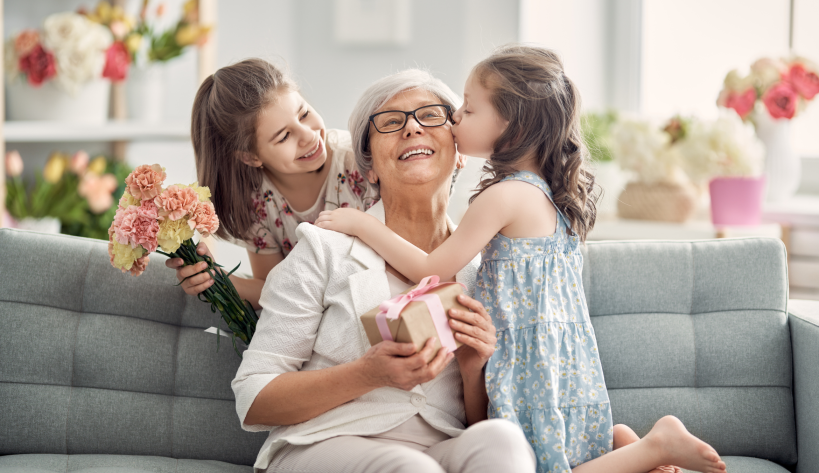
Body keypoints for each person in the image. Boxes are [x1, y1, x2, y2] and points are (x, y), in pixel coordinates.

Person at [316, 45, 726, 473]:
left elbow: (429, 270)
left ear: (510, 126)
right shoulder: (544, 194)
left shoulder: (504, 196)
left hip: (530, 357)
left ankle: (653, 447)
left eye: (469, 110)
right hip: (561, 354)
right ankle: (625, 446)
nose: (455, 119)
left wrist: (360, 224)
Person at [231, 69, 537, 473]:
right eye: (391, 123)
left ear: (460, 148)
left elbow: (474, 422)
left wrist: (472, 371)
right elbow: (253, 401)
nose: (412, 129)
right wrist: (367, 374)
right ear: (369, 167)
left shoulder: (488, 269)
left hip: (440, 447)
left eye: (430, 116)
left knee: (502, 440)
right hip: (324, 443)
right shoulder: (325, 249)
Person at [165, 58, 373, 308]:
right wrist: (216, 279)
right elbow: (273, 288)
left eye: (304, 114)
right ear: (250, 157)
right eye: (284, 136)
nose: (308, 135)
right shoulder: (257, 204)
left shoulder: (360, 161)